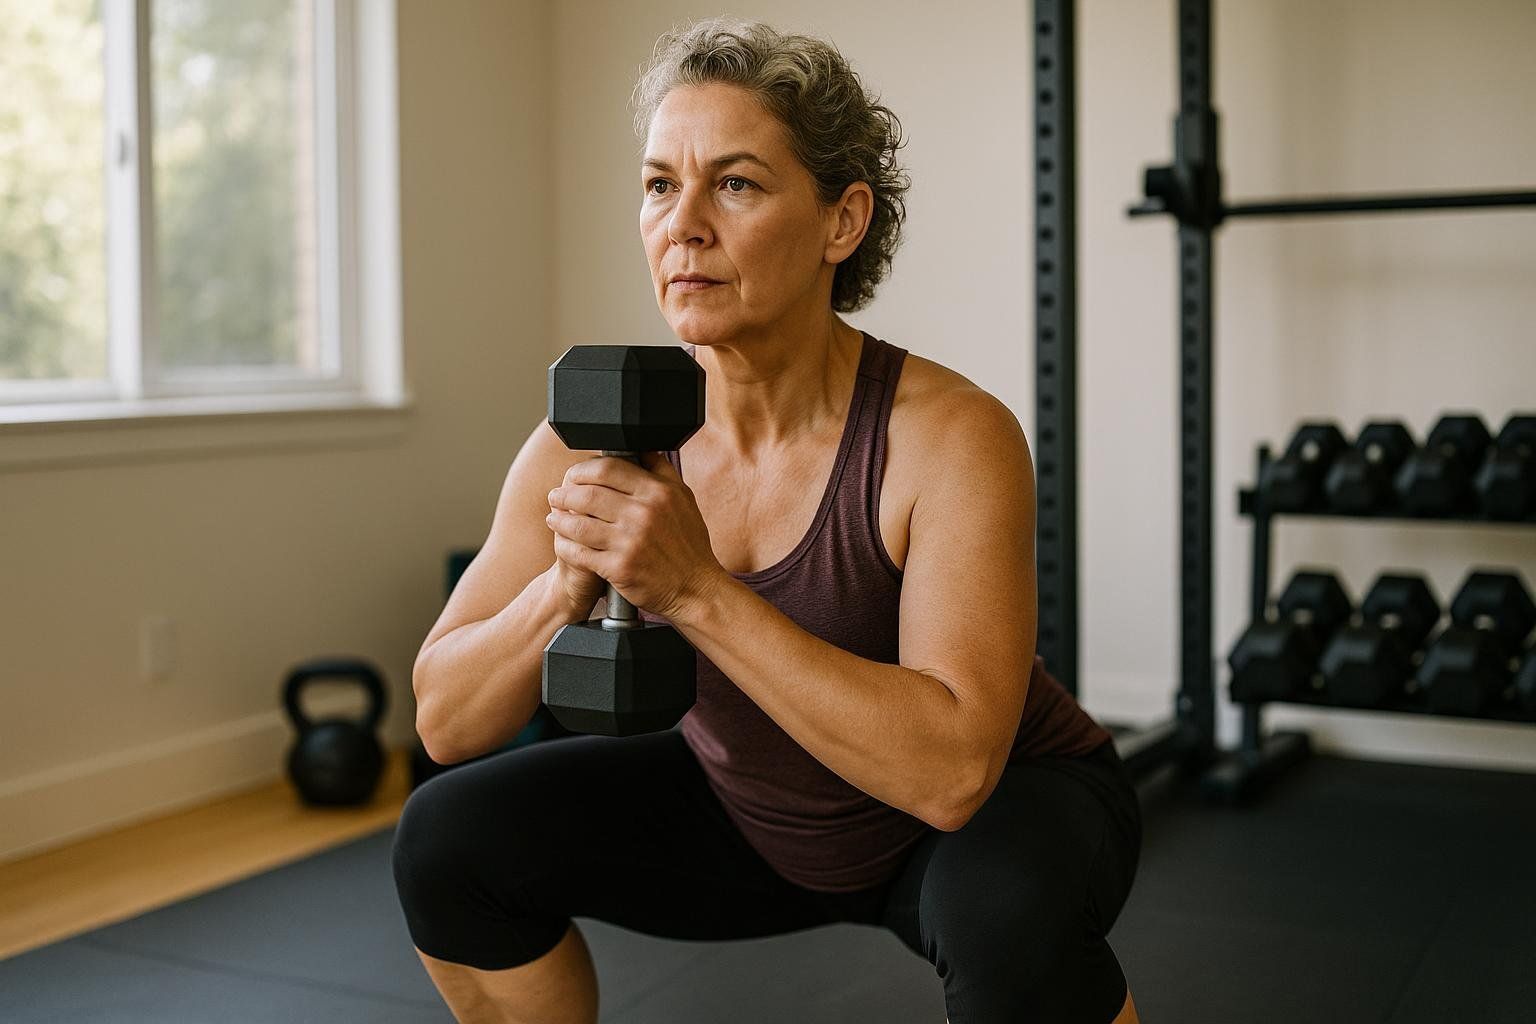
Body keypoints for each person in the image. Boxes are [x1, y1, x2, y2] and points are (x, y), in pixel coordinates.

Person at [393, 18, 1142, 1024]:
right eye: (660, 184)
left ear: (843, 220)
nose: (683, 223)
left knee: (1009, 923)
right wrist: (565, 584)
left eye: (735, 184)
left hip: (990, 813)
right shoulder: (592, 436)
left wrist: (694, 589)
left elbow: (955, 773)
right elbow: (443, 718)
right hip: (752, 804)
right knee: (448, 840)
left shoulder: (948, 436)